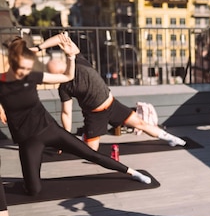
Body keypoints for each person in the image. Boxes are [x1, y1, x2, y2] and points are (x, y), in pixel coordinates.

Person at [0, 36, 152, 196]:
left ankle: (132, 172)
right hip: (27, 139)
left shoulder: (31, 76)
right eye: (22, 69)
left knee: (91, 154)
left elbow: (67, 77)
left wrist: (71, 57)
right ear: (11, 62)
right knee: (34, 190)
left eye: (28, 69)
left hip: (49, 129)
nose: (25, 73)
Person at [39, 33, 186, 151]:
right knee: (91, 151)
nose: (65, 64)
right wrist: (66, 137)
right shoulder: (64, 87)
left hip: (112, 105)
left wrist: (39, 47)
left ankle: (171, 139)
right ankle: (80, 140)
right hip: (95, 115)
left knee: (140, 123)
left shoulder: (78, 60)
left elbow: (62, 37)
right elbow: (66, 113)